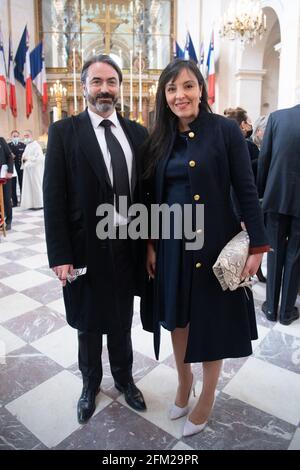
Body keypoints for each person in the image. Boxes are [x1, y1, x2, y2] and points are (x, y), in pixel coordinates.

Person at [143, 59, 269, 438]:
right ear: (164, 97)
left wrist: (258, 245)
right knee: (176, 318)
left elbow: (246, 188)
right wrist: (150, 243)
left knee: (210, 322)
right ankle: (184, 383)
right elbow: (153, 196)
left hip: (214, 243)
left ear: (201, 89)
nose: (180, 95)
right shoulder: (159, 137)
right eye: (171, 89)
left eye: (187, 86)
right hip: (170, 244)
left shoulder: (226, 131)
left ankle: (208, 395)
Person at [43, 54, 148, 425]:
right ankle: (90, 385)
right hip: (84, 247)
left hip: (127, 245)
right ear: (84, 87)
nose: (105, 89)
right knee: (88, 322)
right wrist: (60, 254)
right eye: (97, 81)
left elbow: (146, 193)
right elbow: (53, 197)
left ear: (119, 87)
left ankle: (124, 379)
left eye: (111, 82)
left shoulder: (137, 133)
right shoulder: (64, 132)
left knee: (121, 318)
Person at [257, 102, 300, 326]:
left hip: (276, 196)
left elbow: (264, 159)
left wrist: (261, 194)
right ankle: (285, 313)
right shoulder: (277, 117)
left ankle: (271, 309)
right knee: (295, 256)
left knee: (274, 251)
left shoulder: (277, 118)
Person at [224, 107, 266, 283]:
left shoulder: (230, 143)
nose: (251, 124)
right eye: (248, 121)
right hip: (242, 205)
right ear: (242, 124)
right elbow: (242, 184)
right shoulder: (246, 145)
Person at [20, 130, 44, 210]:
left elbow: (40, 158)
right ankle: (31, 204)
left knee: (36, 185)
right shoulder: (28, 146)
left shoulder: (36, 145)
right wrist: (23, 159)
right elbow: (24, 156)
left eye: (27, 135)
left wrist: (28, 159)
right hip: (28, 169)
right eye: (25, 136)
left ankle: (39, 204)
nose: (26, 137)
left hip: (35, 170)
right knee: (28, 187)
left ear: (31, 135)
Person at [8, 130, 26, 206]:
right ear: (11, 137)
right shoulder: (8, 145)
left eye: (17, 136)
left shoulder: (23, 145)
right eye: (14, 136)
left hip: (20, 167)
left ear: (19, 137)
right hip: (12, 167)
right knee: (12, 185)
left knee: (22, 183)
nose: (15, 137)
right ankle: (14, 202)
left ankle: (23, 201)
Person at [0, 136, 14, 230]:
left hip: (4, 174)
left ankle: (8, 220)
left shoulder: (1, 140)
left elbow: (9, 156)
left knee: (6, 198)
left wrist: (10, 171)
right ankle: (1, 221)